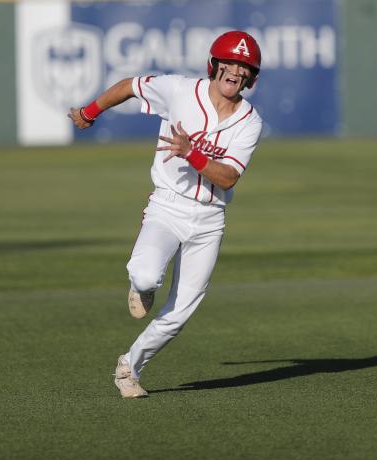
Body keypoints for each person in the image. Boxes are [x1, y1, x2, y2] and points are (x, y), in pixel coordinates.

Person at [69, 30, 264, 398]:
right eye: (230, 63)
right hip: (167, 205)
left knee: (180, 312)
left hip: (209, 220)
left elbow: (229, 176)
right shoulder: (179, 90)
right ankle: (141, 287)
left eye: (244, 67)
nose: (235, 72)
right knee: (144, 277)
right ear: (215, 64)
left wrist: (192, 153)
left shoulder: (250, 121)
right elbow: (129, 85)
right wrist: (89, 112)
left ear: (251, 77)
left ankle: (129, 367)